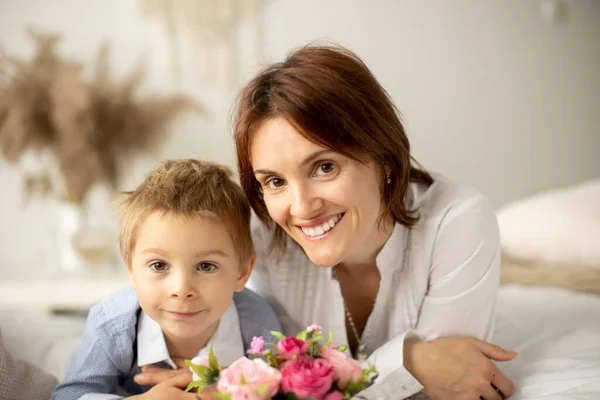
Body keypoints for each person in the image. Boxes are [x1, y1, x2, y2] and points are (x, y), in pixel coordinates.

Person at [137, 45, 518, 400]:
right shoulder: (263, 233)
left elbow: (448, 385)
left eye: (324, 167)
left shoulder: (458, 220)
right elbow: (272, 376)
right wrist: (410, 363)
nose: (301, 208)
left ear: (385, 160)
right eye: (274, 181)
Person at [52, 159, 281, 400]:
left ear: (242, 272)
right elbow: (68, 395)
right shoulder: (110, 325)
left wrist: (228, 392)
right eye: (159, 265)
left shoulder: (257, 323)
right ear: (130, 267)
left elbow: (281, 391)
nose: (181, 290)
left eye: (206, 266)